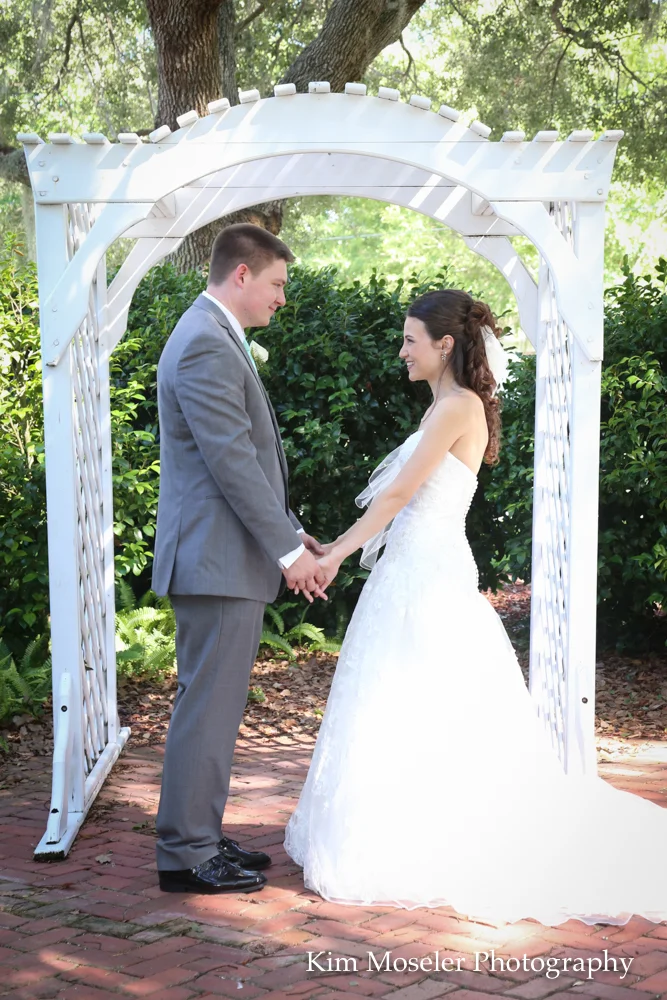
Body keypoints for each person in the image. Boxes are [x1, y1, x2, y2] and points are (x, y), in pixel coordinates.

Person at [284, 289, 667, 926]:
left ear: (445, 345)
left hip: (429, 574)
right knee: (403, 697)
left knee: (429, 694)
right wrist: (339, 548)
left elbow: (399, 494)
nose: (401, 352)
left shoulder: (458, 406)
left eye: (410, 341)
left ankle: (442, 835)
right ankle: (407, 824)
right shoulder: (446, 405)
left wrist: (337, 555)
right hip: (413, 566)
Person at [152, 223, 327, 894]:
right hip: (215, 560)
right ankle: (186, 853)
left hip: (222, 557)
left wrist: (291, 531)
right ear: (243, 274)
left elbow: (243, 459)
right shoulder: (205, 341)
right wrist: (285, 552)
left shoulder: (213, 335)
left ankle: (200, 833)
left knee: (215, 707)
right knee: (207, 708)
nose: (282, 297)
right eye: (278, 283)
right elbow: (229, 462)